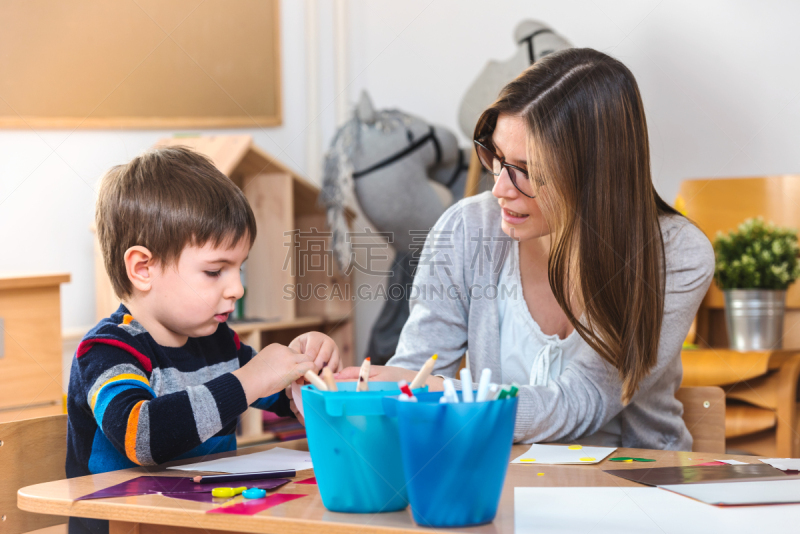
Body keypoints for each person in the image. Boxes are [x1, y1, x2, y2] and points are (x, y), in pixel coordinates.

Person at [336, 48, 714, 450]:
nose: (499, 188)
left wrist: (454, 399)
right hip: (497, 479)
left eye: (527, 171)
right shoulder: (467, 228)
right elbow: (417, 372)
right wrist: (364, 393)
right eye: (496, 157)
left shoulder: (675, 255)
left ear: (596, 173)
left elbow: (583, 400)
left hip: (638, 486)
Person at [67, 147, 339, 533]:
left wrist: (306, 373)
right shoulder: (107, 351)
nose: (236, 289)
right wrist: (250, 380)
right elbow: (142, 437)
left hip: (206, 522)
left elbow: (280, 394)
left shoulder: (219, 343)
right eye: (215, 271)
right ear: (143, 269)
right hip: (125, 527)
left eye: (239, 269)